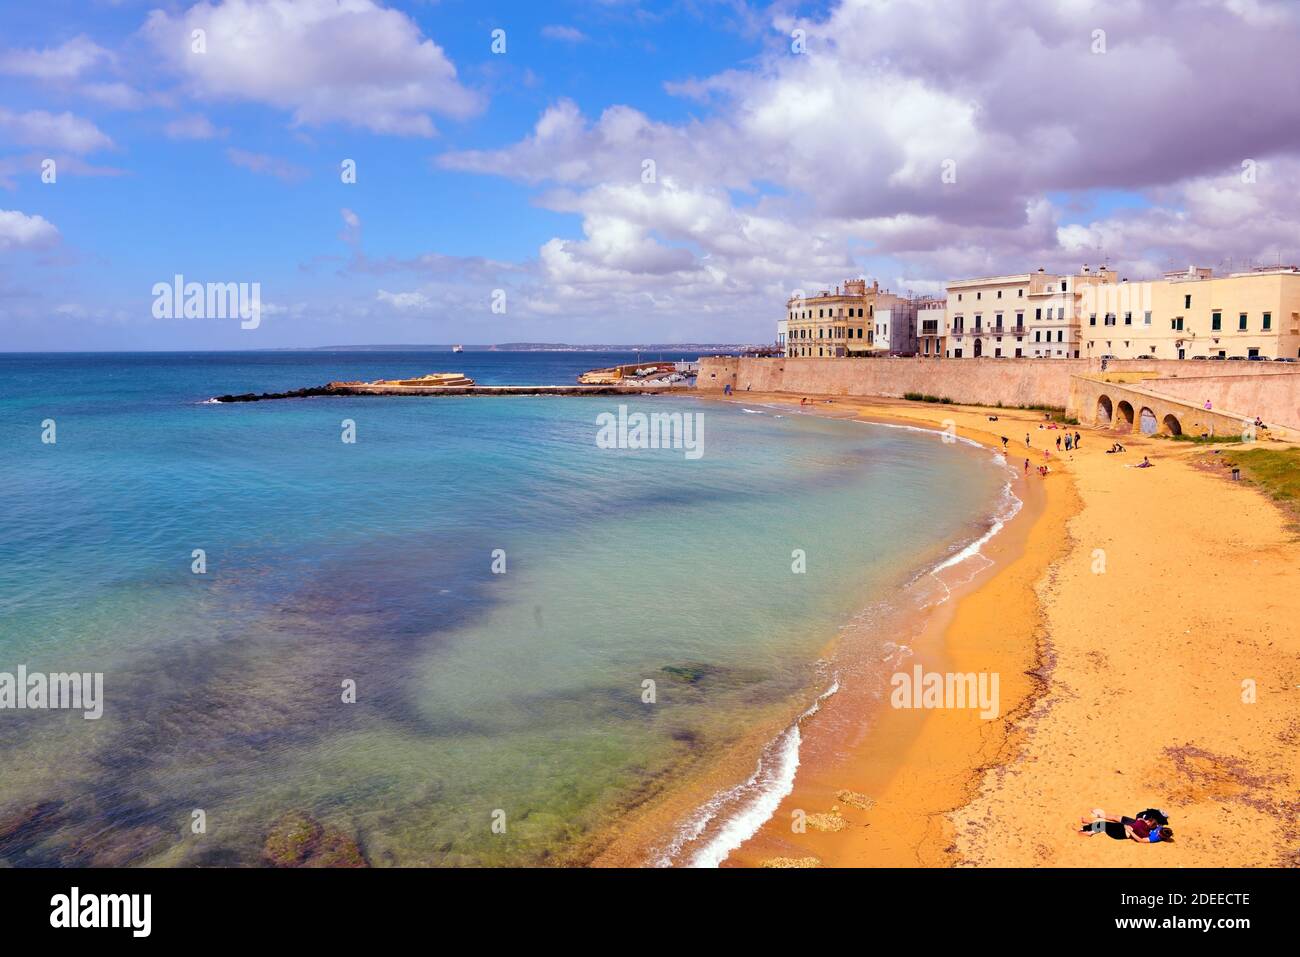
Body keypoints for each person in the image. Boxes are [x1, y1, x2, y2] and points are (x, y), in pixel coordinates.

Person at [1078, 812, 1174, 843]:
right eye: (1159, 831)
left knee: (1103, 825)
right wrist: (1143, 821)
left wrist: (1129, 830)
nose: (1158, 833)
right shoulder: (1158, 828)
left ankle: (1087, 829)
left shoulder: (1154, 838)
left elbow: (1140, 840)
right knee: (1109, 822)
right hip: (1133, 825)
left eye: (1160, 835)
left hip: (1124, 832)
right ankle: (1089, 829)